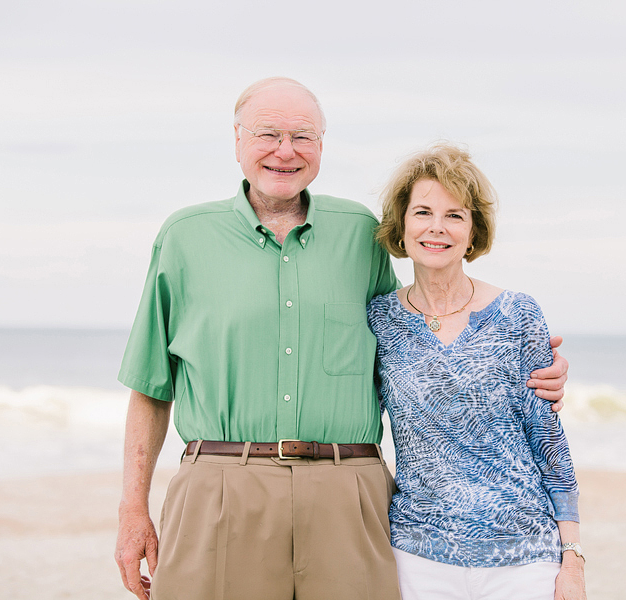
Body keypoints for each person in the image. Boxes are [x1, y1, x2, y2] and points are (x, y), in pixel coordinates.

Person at [114, 78, 571, 600]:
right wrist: (132, 509)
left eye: (303, 137)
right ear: (237, 140)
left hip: (347, 490)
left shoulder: (361, 233)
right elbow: (151, 386)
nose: (286, 151)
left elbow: (414, 344)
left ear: (322, 146)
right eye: (268, 134)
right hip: (219, 486)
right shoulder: (184, 238)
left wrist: (527, 373)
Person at [367, 143, 586, 600]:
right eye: (423, 212)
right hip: (417, 556)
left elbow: (548, 441)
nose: (436, 228)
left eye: (455, 215)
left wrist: (573, 557)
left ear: (472, 232)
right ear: (401, 227)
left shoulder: (518, 314)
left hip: (524, 557)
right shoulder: (380, 321)